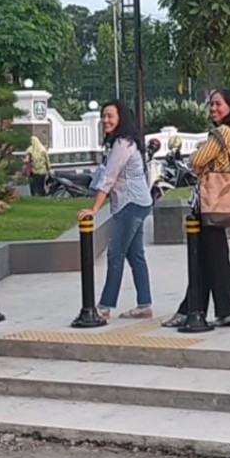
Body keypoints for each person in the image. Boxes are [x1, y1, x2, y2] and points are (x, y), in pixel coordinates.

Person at [162, 89, 230, 329]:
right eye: (211, 105)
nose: (213, 109)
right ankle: (216, 309)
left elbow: (196, 160)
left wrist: (199, 156)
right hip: (217, 201)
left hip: (210, 202)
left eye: (218, 104)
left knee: (206, 258)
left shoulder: (222, 131)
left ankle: (194, 309)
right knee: (213, 257)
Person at [76, 101, 154, 319]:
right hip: (136, 202)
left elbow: (109, 178)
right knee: (135, 255)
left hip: (131, 204)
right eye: (103, 116)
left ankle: (104, 307)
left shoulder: (123, 144)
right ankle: (144, 304)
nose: (105, 120)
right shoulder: (122, 143)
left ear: (121, 118)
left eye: (110, 116)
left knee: (116, 254)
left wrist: (93, 209)